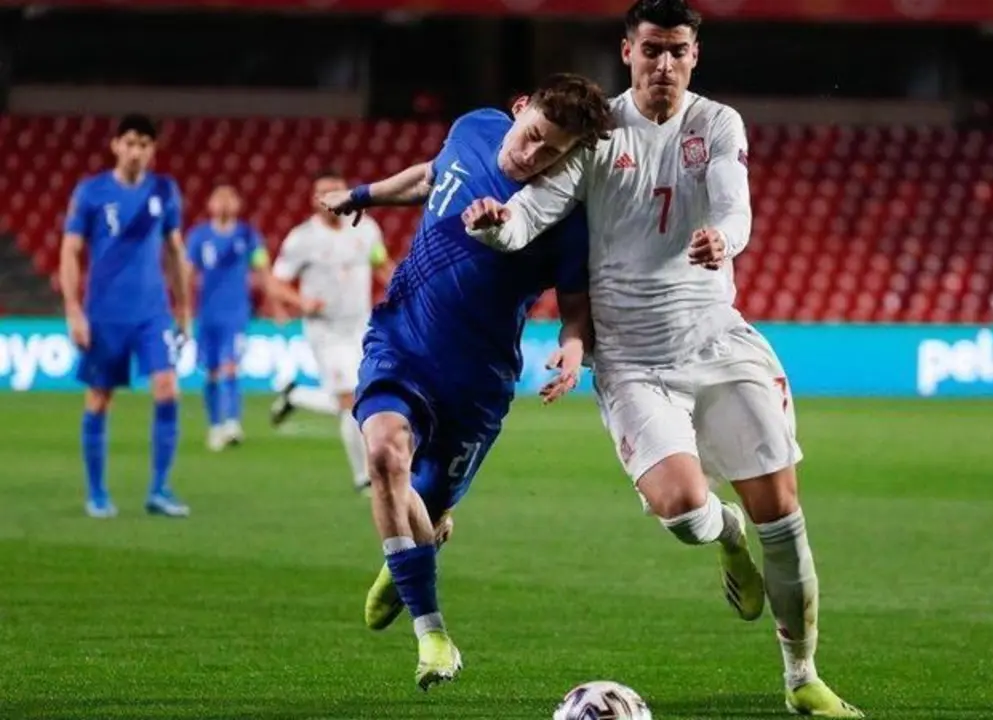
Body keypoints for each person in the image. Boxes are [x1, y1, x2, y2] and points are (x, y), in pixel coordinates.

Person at [460, 1, 861, 715]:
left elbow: (735, 207)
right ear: (628, 52)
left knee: (783, 516)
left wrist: (724, 240)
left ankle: (802, 677)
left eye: (678, 50)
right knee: (680, 509)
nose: (665, 64)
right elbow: (534, 211)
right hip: (634, 361)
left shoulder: (718, 123)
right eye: (652, 50)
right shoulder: (598, 132)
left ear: (695, 55)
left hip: (717, 342)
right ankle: (725, 533)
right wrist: (498, 224)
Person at [317, 72, 612, 691]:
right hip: (401, 341)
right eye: (533, 135)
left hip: (476, 384)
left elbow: (574, 306)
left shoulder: (563, 217)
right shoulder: (474, 127)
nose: (534, 155)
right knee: (384, 456)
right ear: (519, 108)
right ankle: (433, 635)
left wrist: (572, 349)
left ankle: (410, 553)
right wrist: (365, 194)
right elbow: (429, 177)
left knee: (428, 510)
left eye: (553, 152)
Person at [61, 113, 192, 519]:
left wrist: (184, 309)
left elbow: (175, 252)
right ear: (116, 145)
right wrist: (73, 310)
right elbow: (70, 250)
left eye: (144, 144)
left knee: (167, 388)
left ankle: (159, 489)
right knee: (100, 397)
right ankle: (97, 493)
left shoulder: (165, 190)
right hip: (104, 314)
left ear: (153, 150)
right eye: (130, 142)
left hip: (153, 312)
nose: (136, 151)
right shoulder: (92, 192)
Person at [268, 170, 393, 493]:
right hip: (326, 332)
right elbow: (276, 282)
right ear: (315, 200)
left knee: (362, 396)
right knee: (351, 399)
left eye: (337, 190)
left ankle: (295, 395)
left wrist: (401, 289)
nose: (331, 197)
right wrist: (301, 301)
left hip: (362, 326)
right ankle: (364, 477)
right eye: (324, 192)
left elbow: (380, 263)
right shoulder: (302, 239)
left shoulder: (366, 229)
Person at [186, 182, 270, 451]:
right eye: (218, 197)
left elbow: (261, 268)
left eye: (229, 198)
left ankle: (232, 423)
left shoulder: (248, 235)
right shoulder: (199, 236)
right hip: (206, 314)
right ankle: (214, 426)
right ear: (210, 204)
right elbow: (187, 273)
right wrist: (183, 308)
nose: (223, 203)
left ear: (237, 204)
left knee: (231, 366)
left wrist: (273, 303)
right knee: (211, 371)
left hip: (235, 313)